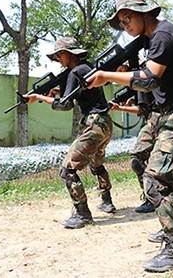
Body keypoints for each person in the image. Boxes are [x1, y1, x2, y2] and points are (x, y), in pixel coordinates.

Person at [87, 0, 173, 272]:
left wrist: (107, 76)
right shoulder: (149, 40)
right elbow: (146, 79)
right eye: (121, 21)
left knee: (155, 180)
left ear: (144, 14)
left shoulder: (164, 34)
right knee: (172, 179)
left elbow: (150, 79)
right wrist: (122, 69)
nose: (125, 25)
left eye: (128, 18)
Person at [24, 37, 115, 229]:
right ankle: (107, 201)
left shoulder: (75, 72)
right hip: (104, 122)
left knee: (67, 169)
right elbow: (73, 94)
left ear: (69, 54)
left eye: (59, 54)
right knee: (97, 165)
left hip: (94, 124)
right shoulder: (85, 68)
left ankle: (83, 214)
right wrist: (54, 92)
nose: (57, 59)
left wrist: (40, 98)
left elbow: (65, 105)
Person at [110, 90, 158, 213]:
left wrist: (120, 108)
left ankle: (151, 198)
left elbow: (141, 110)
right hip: (160, 120)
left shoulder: (142, 78)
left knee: (137, 159)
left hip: (156, 120)